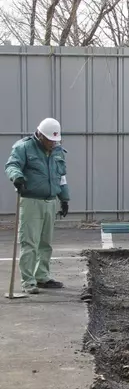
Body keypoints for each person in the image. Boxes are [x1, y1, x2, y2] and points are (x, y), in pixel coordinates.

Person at [4, 117, 70, 295]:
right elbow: (12, 165)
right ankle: (28, 281)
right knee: (29, 243)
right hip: (31, 202)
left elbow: (61, 177)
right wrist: (17, 177)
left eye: (55, 140)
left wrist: (64, 198)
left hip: (49, 202)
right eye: (50, 140)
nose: (53, 143)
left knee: (45, 243)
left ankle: (42, 276)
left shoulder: (57, 151)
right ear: (39, 135)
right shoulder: (24, 147)